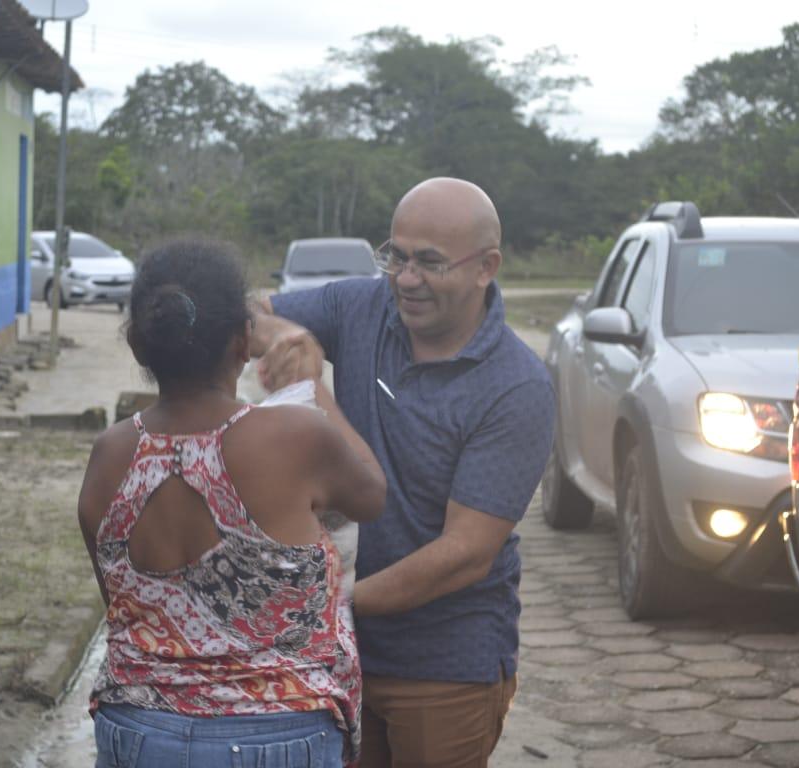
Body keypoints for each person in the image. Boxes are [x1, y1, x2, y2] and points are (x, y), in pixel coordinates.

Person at [251, 178, 556, 767]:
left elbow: (466, 552)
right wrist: (287, 334)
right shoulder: (363, 306)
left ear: (485, 267)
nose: (406, 279)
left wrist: (329, 605)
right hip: (340, 657)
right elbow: (243, 314)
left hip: (445, 667)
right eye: (396, 256)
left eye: (430, 263)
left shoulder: (515, 387)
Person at [76, 238, 387, 767]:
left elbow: (122, 602)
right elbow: (371, 495)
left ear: (136, 345)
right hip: (280, 730)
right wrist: (311, 384)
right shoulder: (294, 435)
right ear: (243, 343)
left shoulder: (109, 456)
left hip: (139, 730)